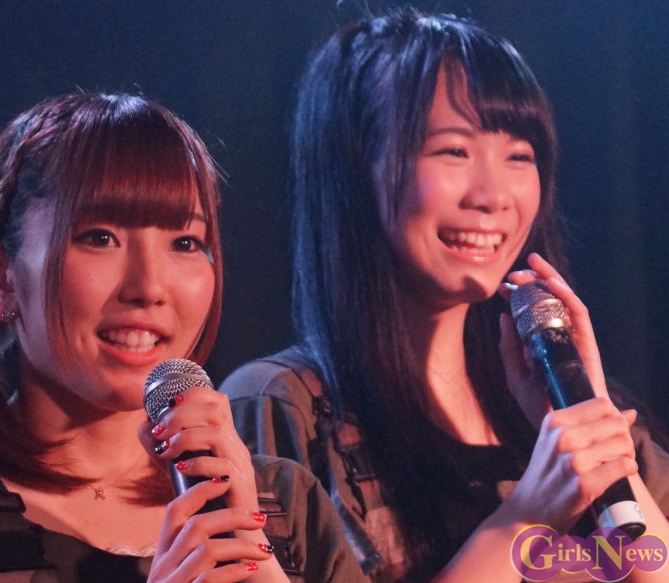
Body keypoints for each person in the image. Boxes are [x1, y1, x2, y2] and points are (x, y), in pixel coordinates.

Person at [219, 8, 669, 583]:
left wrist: (593, 423)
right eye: (454, 151)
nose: (493, 195)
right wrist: (528, 516)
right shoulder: (283, 410)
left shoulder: (558, 408)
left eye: (519, 156)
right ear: (356, 167)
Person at [0, 92, 368, 583]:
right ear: (0, 278)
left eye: (185, 242)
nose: (149, 287)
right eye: (100, 237)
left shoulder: (286, 505)